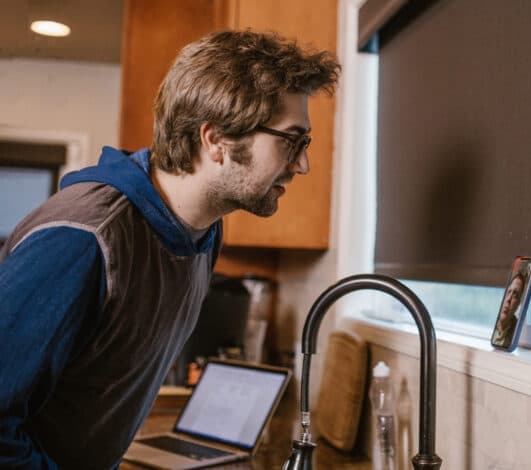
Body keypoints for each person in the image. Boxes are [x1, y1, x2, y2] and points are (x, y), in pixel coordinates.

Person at [0, 30, 340, 469]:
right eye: (290, 141)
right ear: (216, 139)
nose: (303, 164)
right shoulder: (83, 239)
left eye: (304, 144)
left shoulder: (203, 234)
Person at [492, 272, 526, 348]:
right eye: (508, 292)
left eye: (515, 294)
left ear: (518, 304)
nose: (508, 299)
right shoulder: (489, 324)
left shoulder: (518, 331)